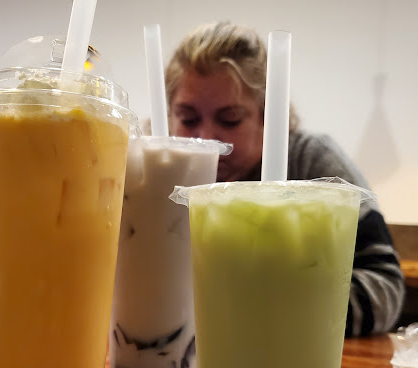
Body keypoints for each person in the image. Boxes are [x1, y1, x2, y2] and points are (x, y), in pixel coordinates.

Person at [164, 21, 405, 337]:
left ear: (267, 117)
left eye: (230, 120)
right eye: (188, 119)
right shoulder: (158, 172)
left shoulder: (310, 161)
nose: (207, 139)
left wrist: (284, 308)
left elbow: (386, 284)